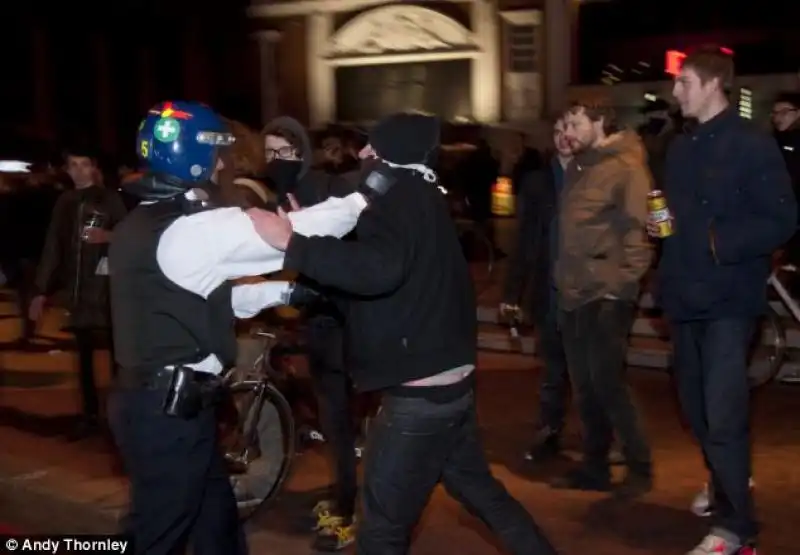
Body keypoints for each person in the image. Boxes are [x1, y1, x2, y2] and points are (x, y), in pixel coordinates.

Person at [253, 112, 560, 555]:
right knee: (481, 493)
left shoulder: (397, 199)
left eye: (371, 148)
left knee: (379, 532)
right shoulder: (423, 195)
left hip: (420, 398)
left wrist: (293, 243)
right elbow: (384, 286)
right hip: (450, 383)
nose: (361, 155)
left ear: (391, 155)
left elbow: (379, 270)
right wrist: (313, 250)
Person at [108, 101, 368, 555]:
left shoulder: (146, 223)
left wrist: (286, 295)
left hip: (167, 407)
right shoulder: (193, 230)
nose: (224, 163)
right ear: (195, 157)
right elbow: (298, 230)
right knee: (154, 537)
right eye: (216, 153)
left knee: (218, 530)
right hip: (169, 415)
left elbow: (208, 297)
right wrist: (376, 191)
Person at [654, 46, 796, 555]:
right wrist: (662, 230)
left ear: (714, 84)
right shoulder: (680, 148)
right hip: (683, 296)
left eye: (684, 82)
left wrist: (719, 242)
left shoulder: (753, 144)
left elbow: (781, 219)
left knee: (723, 411)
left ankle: (738, 530)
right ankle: (724, 484)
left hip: (730, 301)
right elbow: (670, 217)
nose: (675, 92)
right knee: (695, 409)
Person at [262, 116, 360, 551]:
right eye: (269, 153)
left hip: (344, 318)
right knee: (330, 415)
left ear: (300, 151)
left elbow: (348, 245)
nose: (275, 160)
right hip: (316, 317)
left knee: (340, 417)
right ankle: (345, 489)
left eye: (283, 152)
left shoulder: (325, 188)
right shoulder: (282, 195)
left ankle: (350, 504)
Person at [551, 100, 654, 499]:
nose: (568, 130)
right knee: (584, 386)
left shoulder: (627, 167)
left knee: (608, 383)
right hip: (573, 291)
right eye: (565, 122)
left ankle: (639, 466)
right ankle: (595, 466)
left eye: (575, 122)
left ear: (599, 121)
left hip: (607, 294)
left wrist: (622, 284)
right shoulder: (581, 164)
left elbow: (641, 233)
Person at [30, 145, 127, 439]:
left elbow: (131, 236)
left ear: (94, 167)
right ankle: (89, 414)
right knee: (83, 357)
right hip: (78, 291)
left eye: (85, 164)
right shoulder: (65, 202)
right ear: (68, 169)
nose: (79, 171)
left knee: (116, 357)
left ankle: (119, 415)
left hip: (108, 290)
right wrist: (40, 290)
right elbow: (53, 247)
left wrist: (107, 236)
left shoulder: (110, 199)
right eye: (74, 165)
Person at [501, 116, 572, 462]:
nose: (563, 138)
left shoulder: (597, 177)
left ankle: (609, 438)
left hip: (588, 291)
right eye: (556, 132)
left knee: (597, 373)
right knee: (552, 370)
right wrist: (511, 293)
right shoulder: (537, 182)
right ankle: (549, 431)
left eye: (568, 131)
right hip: (548, 289)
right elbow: (525, 240)